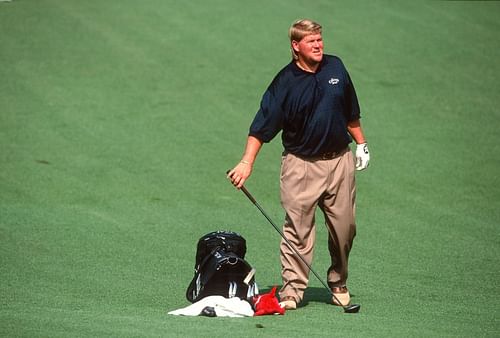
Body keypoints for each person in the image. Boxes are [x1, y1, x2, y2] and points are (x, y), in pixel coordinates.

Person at [227, 19, 370, 310]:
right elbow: (262, 127)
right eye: (311, 41)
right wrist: (246, 163)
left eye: (320, 40)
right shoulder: (285, 83)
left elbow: (350, 110)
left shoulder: (336, 68)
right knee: (298, 230)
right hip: (301, 166)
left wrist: (362, 143)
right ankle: (292, 290)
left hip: (340, 162)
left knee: (345, 229)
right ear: (296, 46)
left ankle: (338, 280)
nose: (318, 45)